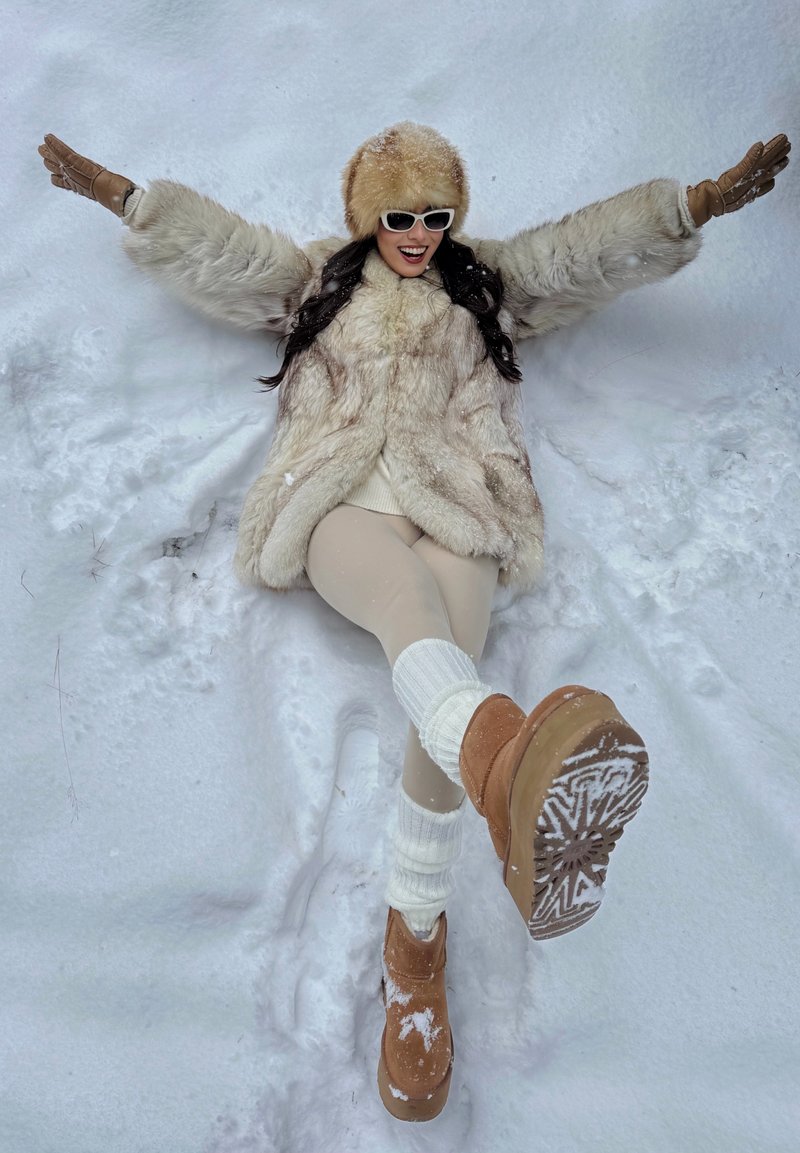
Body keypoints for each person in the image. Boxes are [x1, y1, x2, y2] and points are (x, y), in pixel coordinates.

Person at [39, 122, 790, 1121]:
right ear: (365, 215)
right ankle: (495, 782)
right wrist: (128, 197)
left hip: (463, 510)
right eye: (397, 216)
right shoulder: (317, 281)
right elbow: (221, 251)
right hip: (338, 508)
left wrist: (687, 206)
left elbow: (581, 251)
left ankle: (418, 946)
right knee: (408, 618)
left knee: (445, 666)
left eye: (434, 216)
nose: (416, 234)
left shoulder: (484, 285)